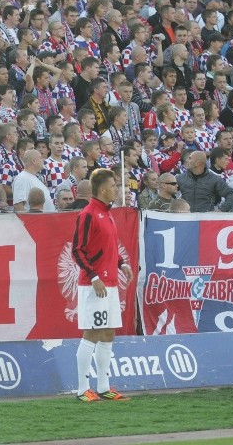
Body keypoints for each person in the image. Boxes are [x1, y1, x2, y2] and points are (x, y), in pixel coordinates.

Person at [72, 168, 133, 403]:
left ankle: (104, 386)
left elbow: (106, 246)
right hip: (94, 284)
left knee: (108, 333)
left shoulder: (107, 214)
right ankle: (81, 389)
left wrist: (121, 263)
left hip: (110, 282)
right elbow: (78, 249)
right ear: (101, 189)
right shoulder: (88, 214)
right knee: (92, 333)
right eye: (113, 185)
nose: (117, 189)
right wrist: (94, 276)